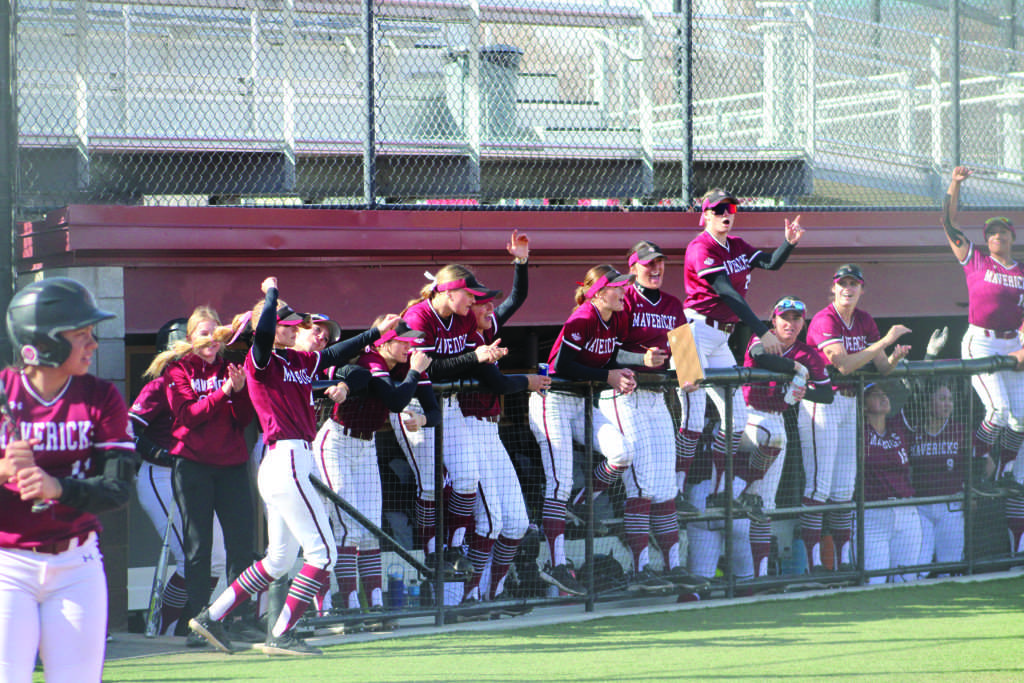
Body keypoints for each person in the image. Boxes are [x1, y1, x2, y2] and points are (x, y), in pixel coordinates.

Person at [189, 277, 397, 656]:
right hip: (285, 457)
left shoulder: (298, 358)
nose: (297, 327)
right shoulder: (260, 358)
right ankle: (281, 632)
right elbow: (264, 331)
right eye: (290, 323)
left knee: (279, 559)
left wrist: (374, 333)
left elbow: (335, 356)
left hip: (288, 460)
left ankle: (211, 617)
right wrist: (269, 295)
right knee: (324, 554)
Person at [0, 277, 137, 683]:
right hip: (8, 565)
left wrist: (57, 488)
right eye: (81, 335)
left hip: (78, 564)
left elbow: (118, 489)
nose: (93, 344)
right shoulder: (5, 391)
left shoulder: (102, 396)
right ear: (42, 343)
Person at [528, 264, 662, 596]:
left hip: (580, 402)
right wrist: (610, 377)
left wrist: (631, 365)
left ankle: (582, 503)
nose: (624, 290)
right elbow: (565, 366)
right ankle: (555, 562)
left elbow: (610, 354)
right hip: (552, 401)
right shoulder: (582, 317)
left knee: (623, 452)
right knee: (559, 481)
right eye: (618, 285)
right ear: (599, 292)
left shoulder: (615, 317)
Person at [677, 188, 804, 518]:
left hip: (720, 336)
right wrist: (763, 330)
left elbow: (771, 264)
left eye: (730, 207)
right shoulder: (699, 247)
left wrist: (788, 242)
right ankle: (675, 489)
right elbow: (727, 293)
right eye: (717, 209)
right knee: (692, 415)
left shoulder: (736, 245)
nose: (725, 213)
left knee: (736, 419)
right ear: (704, 214)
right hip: (688, 332)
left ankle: (720, 492)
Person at [597, 240, 707, 592]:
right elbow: (605, 352)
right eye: (648, 263)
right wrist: (638, 360)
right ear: (633, 267)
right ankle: (641, 569)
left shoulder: (673, 304)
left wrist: (689, 375)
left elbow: (685, 358)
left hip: (656, 396)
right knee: (642, 486)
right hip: (622, 393)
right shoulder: (623, 298)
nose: (656, 268)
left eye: (660, 262)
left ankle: (672, 566)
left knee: (663, 488)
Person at [144, 306, 257, 643]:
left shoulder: (230, 366)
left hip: (232, 464)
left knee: (241, 545)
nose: (210, 339)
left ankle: (237, 615)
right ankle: (198, 620)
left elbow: (245, 418)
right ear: (191, 338)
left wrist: (237, 392)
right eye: (203, 333)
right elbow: (188, 415)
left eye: (214, 332)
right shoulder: (178, 370)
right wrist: (222, 393)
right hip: (192, 465)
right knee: (198, 546)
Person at [314, 319, 439, 616]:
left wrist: (421, 419)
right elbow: (396, 401)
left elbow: (433, 410)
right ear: (384, 342)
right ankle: (351, 607)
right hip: (337, 442)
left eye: (411, 342)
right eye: (404, 341)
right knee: (348, 529)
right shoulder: (372, 359)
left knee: (371, 529)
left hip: (366, 446)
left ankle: (379, 608)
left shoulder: (407, 365)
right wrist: (414, 372)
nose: (410, 346)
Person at [458, 231, 551, 605]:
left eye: (489, 302)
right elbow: (495, 380)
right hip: (466, 428)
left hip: (490, 433)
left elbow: (518, 298)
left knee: (515, 524)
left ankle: (492, 595)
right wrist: (527, 381)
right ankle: (466, 597)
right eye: (482, 303)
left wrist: (521, 262)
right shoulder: (464, 337)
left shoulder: (488, 327)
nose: (490, 307)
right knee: (490, 523)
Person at [395, 264, 505, 578]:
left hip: (449, 403)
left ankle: (454, 548)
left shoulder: (466, 317)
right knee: (430, 484)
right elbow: (429, 370)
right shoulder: (418, 316)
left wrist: (489, 362)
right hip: (413, 403)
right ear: (447, 291)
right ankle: (432, 554)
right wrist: (475, 358)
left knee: (467, 478)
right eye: (468, 294)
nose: (474, 300)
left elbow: (468, 362)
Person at [800, 263, 911, 573]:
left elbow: (882, 368)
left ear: (863, 289)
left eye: (854, 283)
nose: (848, 288)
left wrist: (894, 357)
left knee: (844, 488)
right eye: (842, 283)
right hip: (822, 402)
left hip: (850, 403)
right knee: (819, 487)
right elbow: (844, 365)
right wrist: (885, 341)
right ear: (833, 288)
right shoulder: (825, 319)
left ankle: (844, 560)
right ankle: (813, 565)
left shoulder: (863, 320)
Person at [131, 317, 228, 638]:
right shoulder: (158, 385)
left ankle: (187, 621)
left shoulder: (205, 382)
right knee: (191, 559)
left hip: (195, 476)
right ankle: (166, 627)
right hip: (161, 476)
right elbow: (127, 430)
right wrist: (161, 454)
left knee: (215, 559)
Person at [942, 166, 1024, 498]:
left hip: (1013, 343)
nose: (996, 236)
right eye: (991, 233)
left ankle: (1002, 473)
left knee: (1020, 419)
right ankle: (976, 470)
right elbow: (948, 224)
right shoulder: (977, 260)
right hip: (981, 340)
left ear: (1012, 238)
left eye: (1002, 232)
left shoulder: (1021, 271)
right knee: (998, 411)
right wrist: (954, 184)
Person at [739, 295, 832, 578]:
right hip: (746, 417)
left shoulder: (808, 354)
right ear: (774, 320)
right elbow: (759, 356)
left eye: (796, 318)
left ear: (803, 322)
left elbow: (827, 394)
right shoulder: (762, 338)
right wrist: (795, 370)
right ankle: (737, 489)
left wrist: (807, 392)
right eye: (785, 317)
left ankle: (761, 575)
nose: (790, 323)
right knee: (776, 437)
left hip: (775, 419)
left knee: (765, 508)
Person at [862, 382, 922, 584]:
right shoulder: (857, 431)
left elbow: (917, 402)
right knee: (874, 582)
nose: (883, 397)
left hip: (906, 511)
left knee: (907, 581)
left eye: (884, 393)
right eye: (875, 394)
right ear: (862, 405)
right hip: (872, 513)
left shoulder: (898, 425)